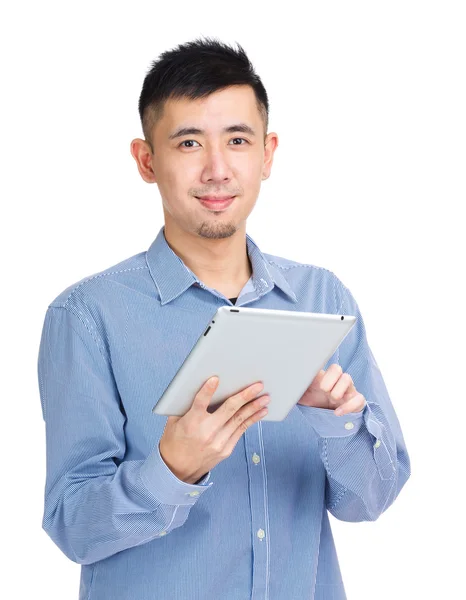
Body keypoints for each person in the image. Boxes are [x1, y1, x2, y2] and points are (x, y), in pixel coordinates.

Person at [37, 36, 411, 600]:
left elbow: (371, 501)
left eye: (238, 140)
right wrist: (171, 468)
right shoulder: (88, 316)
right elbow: (72, 523)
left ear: (267, 153)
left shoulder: (320, 295)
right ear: (146, 160)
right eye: (188, 142)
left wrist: (341, 426)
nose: (217, 169)